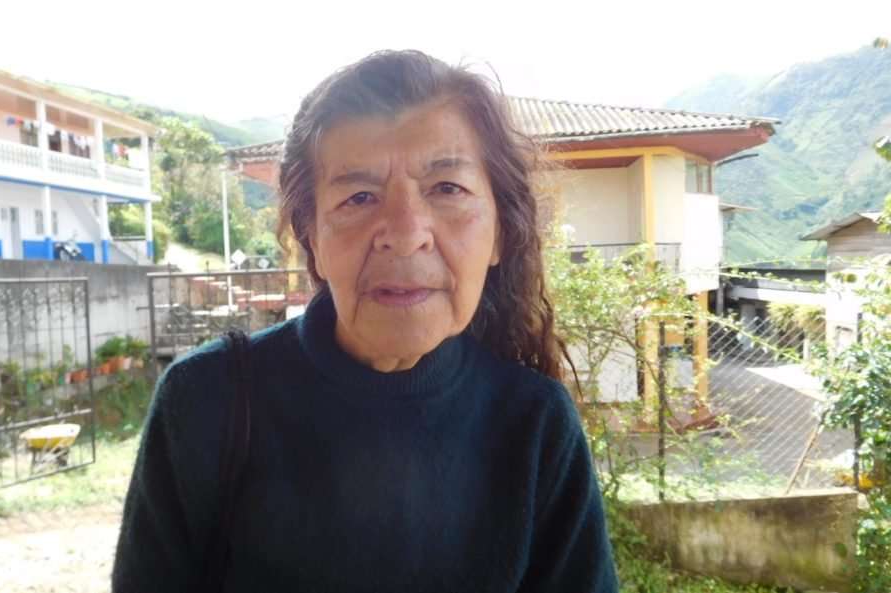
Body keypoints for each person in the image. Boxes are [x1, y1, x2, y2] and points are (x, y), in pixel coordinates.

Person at [112, 50, 618, 592]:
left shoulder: (535, 424)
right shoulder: (203, 402)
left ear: (499, 232)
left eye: (447, 189)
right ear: (312, 239)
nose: (405, 233)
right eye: (359, 197)